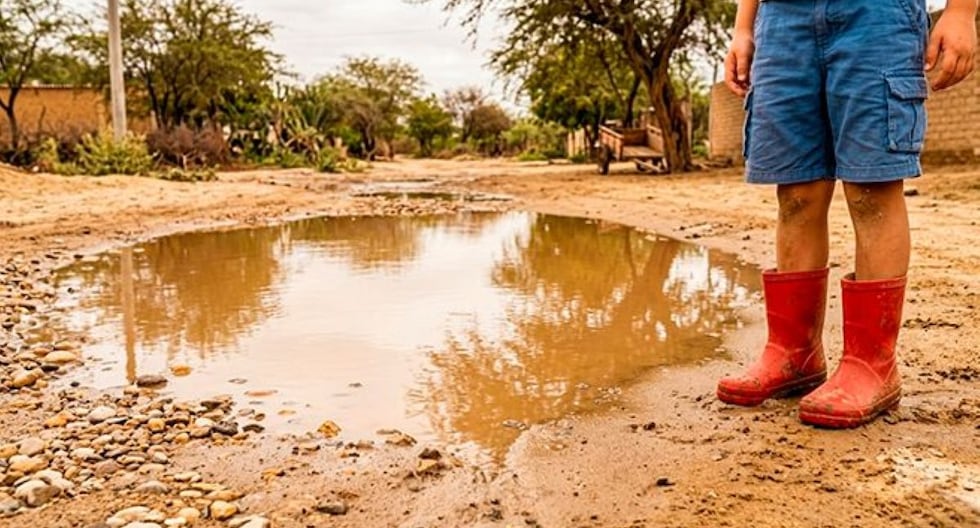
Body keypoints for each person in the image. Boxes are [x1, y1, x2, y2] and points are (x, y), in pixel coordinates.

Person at [716, 0, 977, 428]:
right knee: (796, 191)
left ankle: (871, 364)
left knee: (871, 188)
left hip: (876, 16)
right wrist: (744, 26)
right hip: (783, 20)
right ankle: (792, 353)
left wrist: (962, 11)